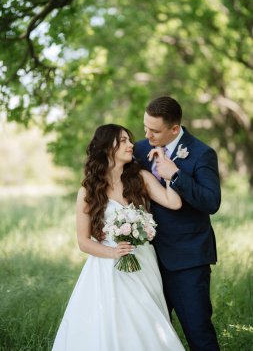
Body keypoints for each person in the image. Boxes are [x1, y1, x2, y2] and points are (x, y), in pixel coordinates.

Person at [51, 123, 185, 351]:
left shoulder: (140, 177)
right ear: (106, 147)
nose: (131, 145)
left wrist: (168, 173)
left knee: (147, 318)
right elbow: (83, 242)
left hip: (143, 261)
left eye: (129, 140)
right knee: (111, 321)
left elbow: (174, 202)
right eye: (123, 141)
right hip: (106, 267)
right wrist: (114, 252)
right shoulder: (88, 190)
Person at [134, 96, 221, 351]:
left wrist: (176, 175)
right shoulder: (139, 150)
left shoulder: (201, 153)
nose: (148, 135)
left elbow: (211, 202)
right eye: (145, 127)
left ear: (174, 129)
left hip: (187, 261)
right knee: (152, 334)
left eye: (155, 130)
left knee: (198, 331)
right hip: (146, 259)